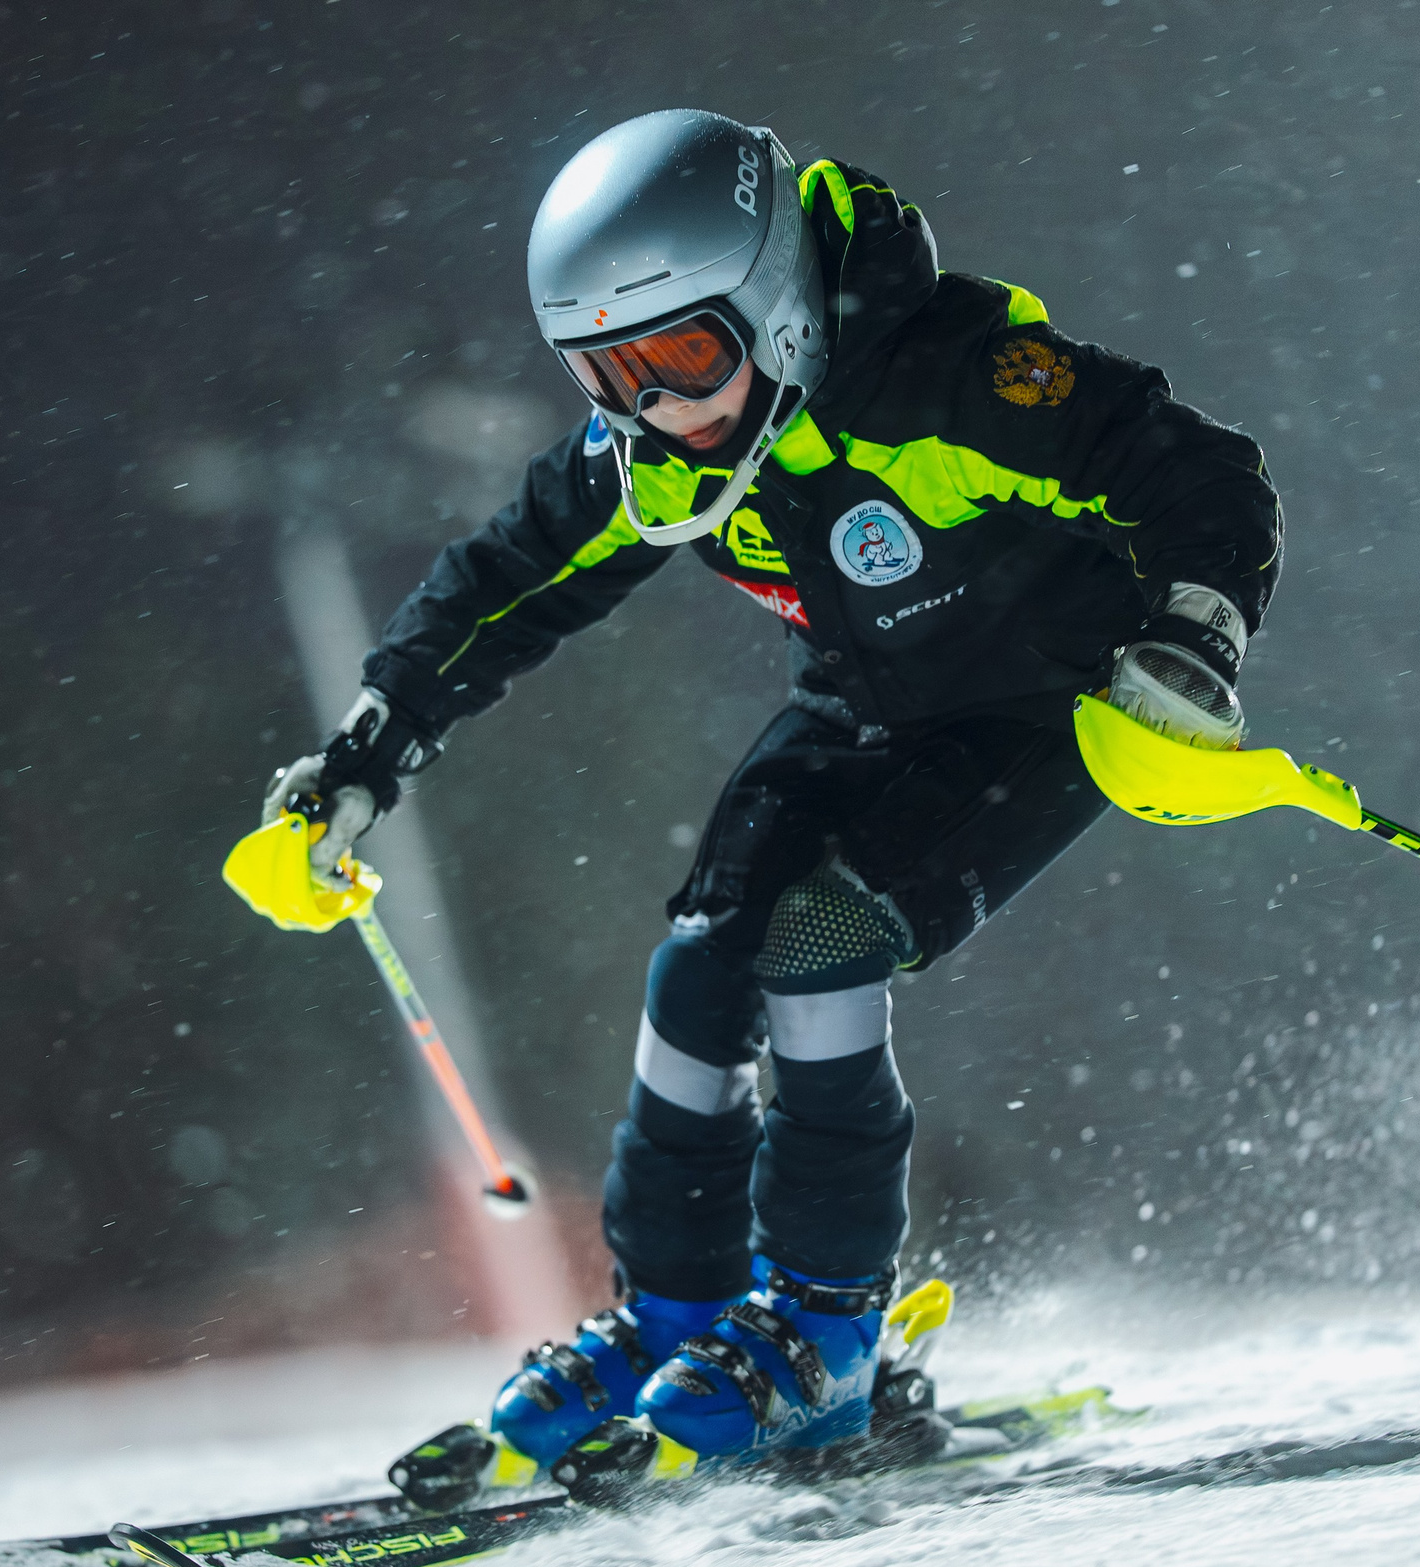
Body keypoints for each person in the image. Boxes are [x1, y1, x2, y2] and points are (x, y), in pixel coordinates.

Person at [265, 110, 1280, 1470]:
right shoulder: (665, 452)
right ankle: (676, 1314)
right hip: (862, 708)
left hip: (1038, 709)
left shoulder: (950, 379)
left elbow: (1199, 472)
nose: (655, 409)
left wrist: (1192, 642)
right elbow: (507, 582)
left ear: (774, 304)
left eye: (683, 356)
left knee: (823, 938)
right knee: (700, 968)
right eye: (606, 374)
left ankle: (826, 1334)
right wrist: (363, 754)